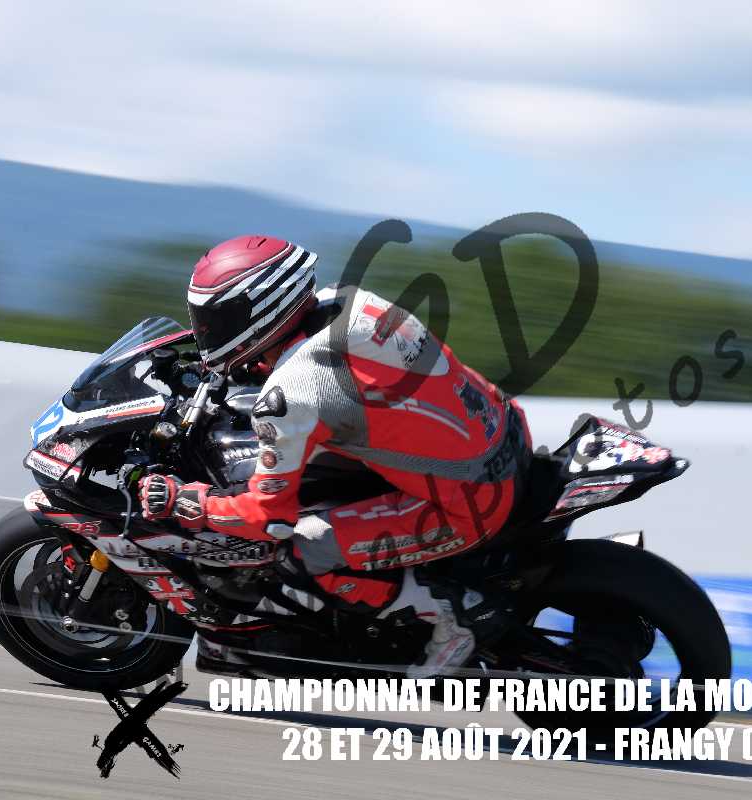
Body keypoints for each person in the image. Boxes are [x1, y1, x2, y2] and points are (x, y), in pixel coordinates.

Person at [137, 234, 532, 676]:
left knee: (301, 552)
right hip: (504, 427)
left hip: (472, 505)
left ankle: (452, 617)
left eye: (216, 319)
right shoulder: (347, 300)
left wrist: (186, 501)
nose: (207, 331)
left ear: (261, 308)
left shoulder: (292, 392)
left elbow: (268, 517)